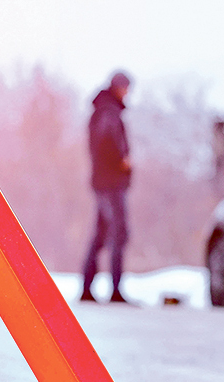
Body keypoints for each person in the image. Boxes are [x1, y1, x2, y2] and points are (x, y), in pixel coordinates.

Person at [81, 71, 133, 303]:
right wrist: (122, 159)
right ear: (118, 88)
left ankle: (87, 287)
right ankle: (115, 290)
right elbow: (108, 139)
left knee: (101, 234)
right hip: (111, 183)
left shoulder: (101, 110)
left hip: (102, 181)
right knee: (118, 233)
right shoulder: (109, 112)